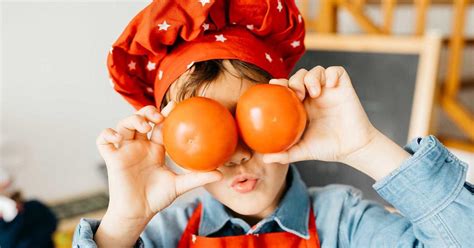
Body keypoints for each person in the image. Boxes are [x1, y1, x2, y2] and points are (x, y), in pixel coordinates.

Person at [74, 0, 473, 247]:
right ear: (172, 144)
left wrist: (366, 147)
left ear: (292, 113)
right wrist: (124, 221)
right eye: (207, 133)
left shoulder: (344, 222)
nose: (239, 155)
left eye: (253, 121)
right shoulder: (161, 236)